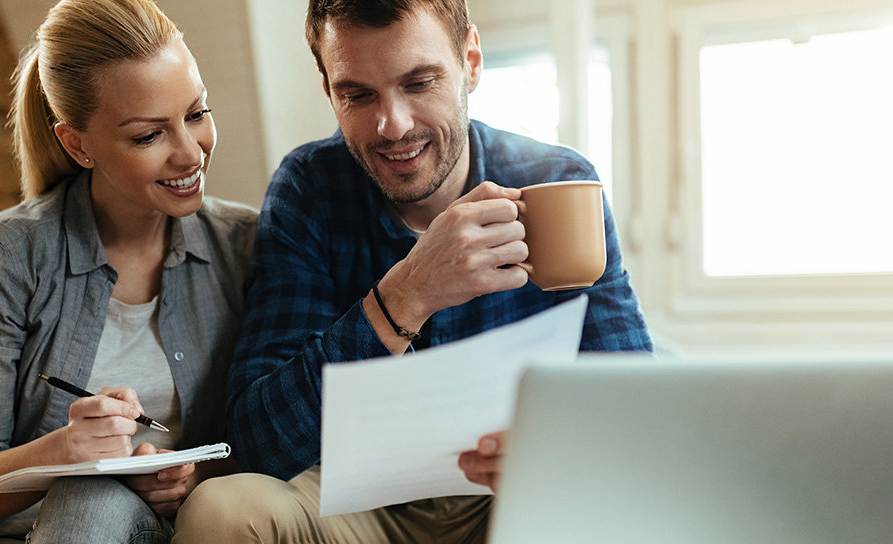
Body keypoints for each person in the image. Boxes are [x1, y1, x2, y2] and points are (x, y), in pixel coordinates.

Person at [173, 0, 651, 541]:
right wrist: (406, 293)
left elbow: (634, 405)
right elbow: (257, 443)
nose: (392, 126)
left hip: (513, 494)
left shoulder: (559, 182)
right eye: (357, 94)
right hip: (358, 500)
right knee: (222, 509)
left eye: (419, 83)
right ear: (329, 87)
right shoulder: (310, 188)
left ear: (471, 60)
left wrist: (556, 447)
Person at [0, 0, 256, 542]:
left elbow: (282, 428)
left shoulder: (246, 246)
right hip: (11, 533)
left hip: (167, 528)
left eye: (197, 113)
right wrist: (63, 451)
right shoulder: (7, 255)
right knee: (88, 494)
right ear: (77, 144)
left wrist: (193, 476)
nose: (191, 154)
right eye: (148, 136)